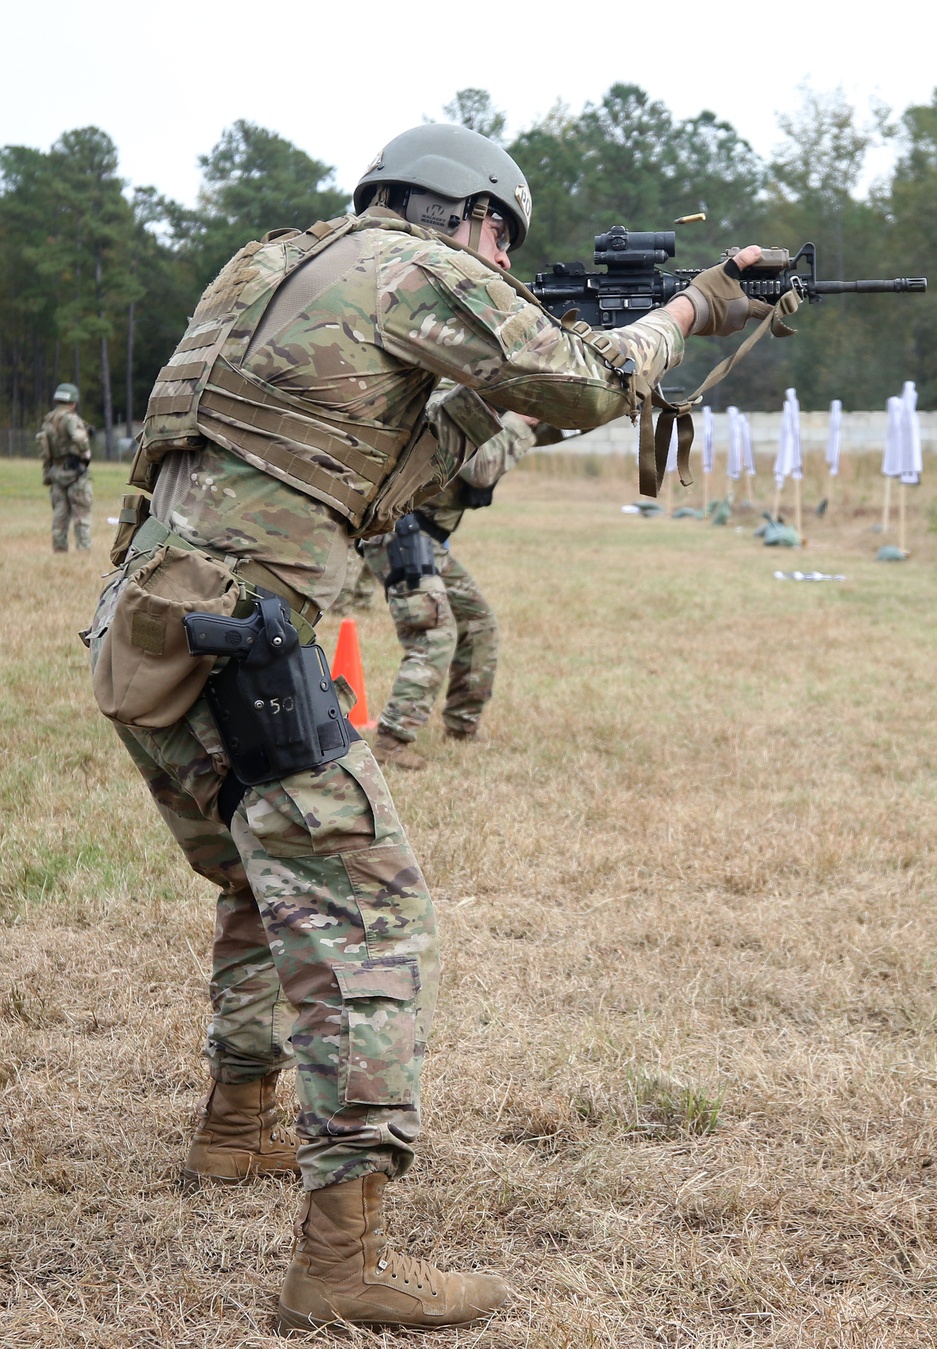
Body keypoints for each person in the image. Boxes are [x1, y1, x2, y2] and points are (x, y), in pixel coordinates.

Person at [82, 121, 770, 1337]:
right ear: (478, 220)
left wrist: (504, 401)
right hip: (251, 648)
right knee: (371, 922)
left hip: (149, 638)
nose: (501, 265)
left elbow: (407, 450)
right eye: (502, 245)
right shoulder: (421, 266)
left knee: (260, 879)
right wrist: (692, 311)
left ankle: (234, 1126)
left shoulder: (272, 262)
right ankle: (339, 1258)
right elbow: (586, 376)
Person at [366, 406, 538, 770]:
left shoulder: (477, 402)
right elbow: (480, 469)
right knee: (432, 633)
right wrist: (518, 423)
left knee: (479, 624)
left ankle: (462, 728)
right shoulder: (447, 402)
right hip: (401, 534)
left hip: (429, 540)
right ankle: (391, 742)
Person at [37, 383, 93, 552]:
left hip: (56, 471)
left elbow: (45, 449)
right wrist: (86, 454)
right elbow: (79, 438)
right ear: (73, 402)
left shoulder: (49, 420)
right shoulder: (71, 419)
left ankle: (60, 551)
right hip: (76, 472)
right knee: (81, 516)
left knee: (59, 517)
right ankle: (84, 551)